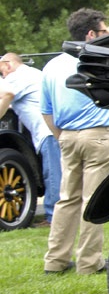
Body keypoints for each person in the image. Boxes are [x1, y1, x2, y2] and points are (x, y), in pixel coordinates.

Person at [40, 9, 109, 275]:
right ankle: (89, 262)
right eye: (102, 31)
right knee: (92, 200)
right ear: (90, 34)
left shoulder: (51, 65)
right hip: (97, 135)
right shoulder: (99, 60)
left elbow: (46, 110)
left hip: (67, 138)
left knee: (66, 200)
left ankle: (55, 260)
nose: (106, 35)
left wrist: (60, 136)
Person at [0, 53, 61, 225]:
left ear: (9, 65)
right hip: (53, 130)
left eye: (2, 72)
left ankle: (53, 217)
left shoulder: (17, 77)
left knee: (53, 174)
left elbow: (6, 94)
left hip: (47, 132)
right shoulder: (33, 73)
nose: (3, 76)